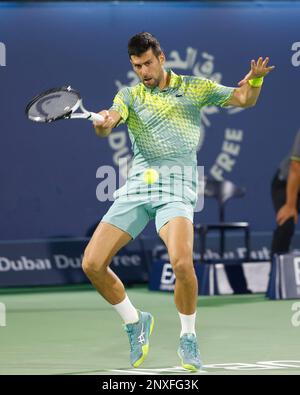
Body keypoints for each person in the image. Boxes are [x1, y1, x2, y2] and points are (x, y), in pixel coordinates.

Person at [82, 32, 274, 371]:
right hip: (139, 188)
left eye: (147, 63)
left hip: (177, 189)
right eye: (137, 66)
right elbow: (111, 120)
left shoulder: (195, 88)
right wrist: (103, 121)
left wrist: (255, 79)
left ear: (161, 57)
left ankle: (188, 337)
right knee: (92, 264)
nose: (143, 71)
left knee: (182, 264)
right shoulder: (129, 95)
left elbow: (244, 99)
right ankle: (134, 322)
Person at [271, 129, 300, 256]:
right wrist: (290, 205)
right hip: (287, 183)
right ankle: (276, 271)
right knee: (286, 223)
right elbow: (296, 166)